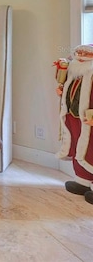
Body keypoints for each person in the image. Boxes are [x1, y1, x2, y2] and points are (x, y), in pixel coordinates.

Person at [56, 45, 93, 204]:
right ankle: (83, 180)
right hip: (74, 115)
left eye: (86, 53)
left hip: (89, 118)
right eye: (79, 52)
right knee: (78, 145)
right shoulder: (74, 69)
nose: (81, 55)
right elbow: (64, 82)